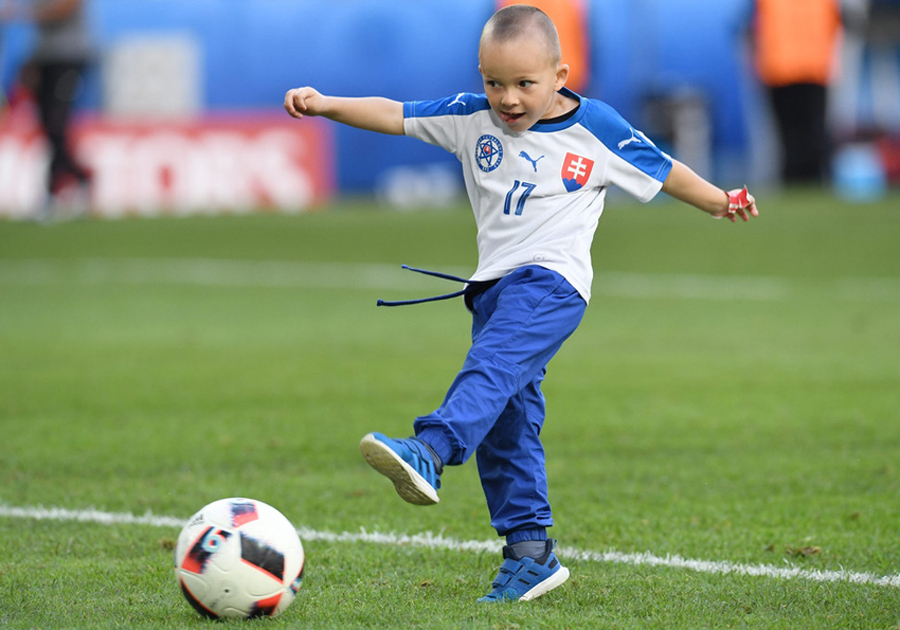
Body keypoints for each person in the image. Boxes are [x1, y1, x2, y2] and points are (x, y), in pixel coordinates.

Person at [285, 4, 758, 603]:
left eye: (524, 84)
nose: (507, 98)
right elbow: (395, 113)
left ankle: (430, 449)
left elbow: (663, 170)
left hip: (552, 284)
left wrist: (720, 200)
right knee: (508, 421)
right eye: (494, 82)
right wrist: (326, 104)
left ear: (560, 76)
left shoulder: (597, 127)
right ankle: (530, 554)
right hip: (493, 290)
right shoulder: (470, 117)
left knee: (490, 368)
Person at [1, 0, 94, 217]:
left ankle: (60, 188)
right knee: (47, 125)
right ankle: (74, 179)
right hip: (45, 58)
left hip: (68, 57)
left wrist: (22, 14)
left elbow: (64, 8)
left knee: (56, 122)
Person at [752, 0, 843, 184]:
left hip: (781, 66)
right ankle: (815, 180)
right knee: (813, 133)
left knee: (791, 136)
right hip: (812, 66)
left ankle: (795, 180)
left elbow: (753, 25)